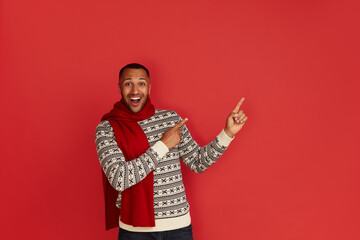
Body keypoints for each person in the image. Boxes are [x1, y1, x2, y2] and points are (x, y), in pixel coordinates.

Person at [95, 63, 248, 240]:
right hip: (135, 233)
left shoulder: (170, 120)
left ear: (149, 87)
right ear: (120, 87)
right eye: (128, 83)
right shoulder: (107, 128)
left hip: (178, 228)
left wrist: (228, 133)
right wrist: (163, 145)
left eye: (141, 83)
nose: (135, 90)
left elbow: (198, 163)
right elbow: (119, 178)